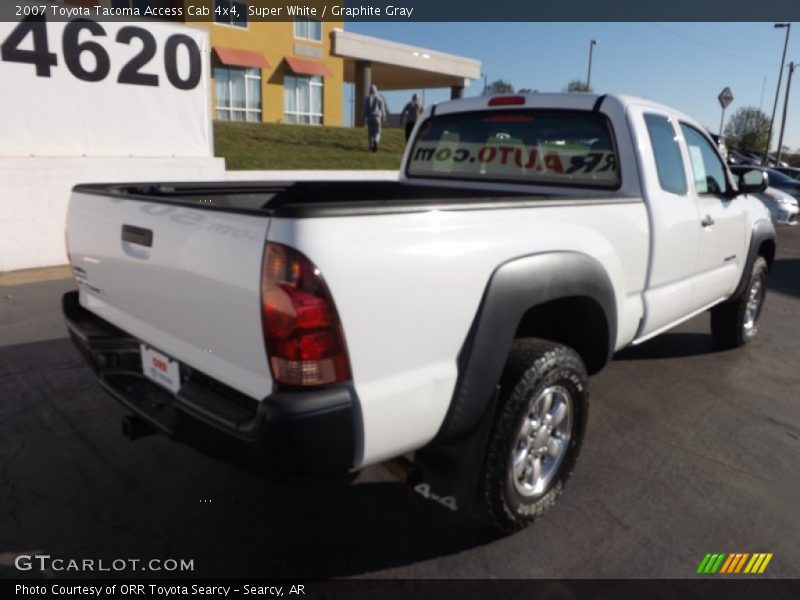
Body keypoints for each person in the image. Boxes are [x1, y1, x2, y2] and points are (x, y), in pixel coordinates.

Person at [363, 84, 386, 152]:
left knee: (370, 133)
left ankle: (371, 146)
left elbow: (365, 109)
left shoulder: (367, 98)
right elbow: (382, 109)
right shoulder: (379, 98)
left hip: (370, 117)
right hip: (377, 117)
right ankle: (376, 140)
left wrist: (364, 118)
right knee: (377, 132)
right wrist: (383, 116)